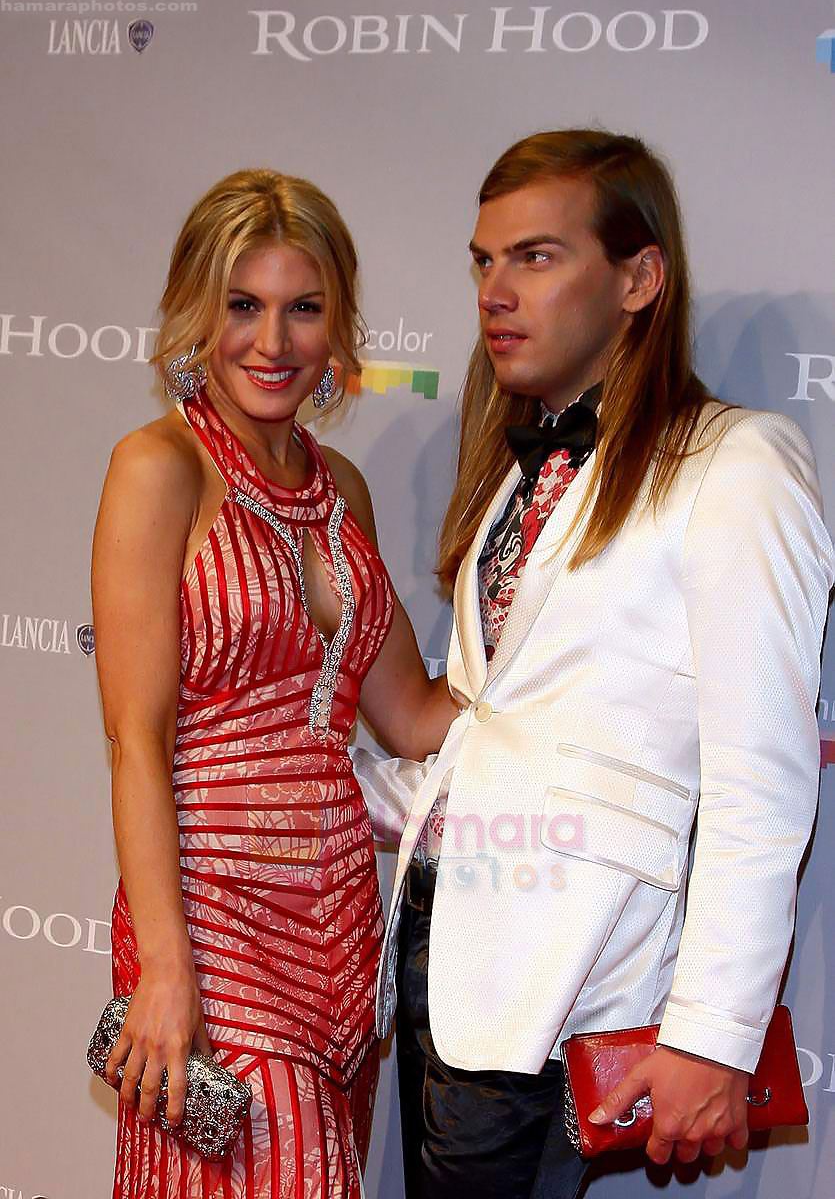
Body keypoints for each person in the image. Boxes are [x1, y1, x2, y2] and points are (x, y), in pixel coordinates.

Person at [353, 130, 834, 1198]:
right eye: (482, 261)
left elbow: (762, 779)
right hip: (444, 958)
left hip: (565, 976)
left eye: (534, 256)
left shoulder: (735, 464)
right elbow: (493, 726)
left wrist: (712, 1036)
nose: (494, 291)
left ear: (637, 278)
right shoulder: (522, 472)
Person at [91, 168, 456, 1198]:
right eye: (242, 306)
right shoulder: (157, 468)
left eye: (305, 309)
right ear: (198, 312)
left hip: (340, 930)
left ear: (338, 323)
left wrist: (566, 636)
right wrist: (167, 969)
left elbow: (409, 716)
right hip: (209, 918)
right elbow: (135, 736)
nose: (273, 341)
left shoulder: (342, 489)